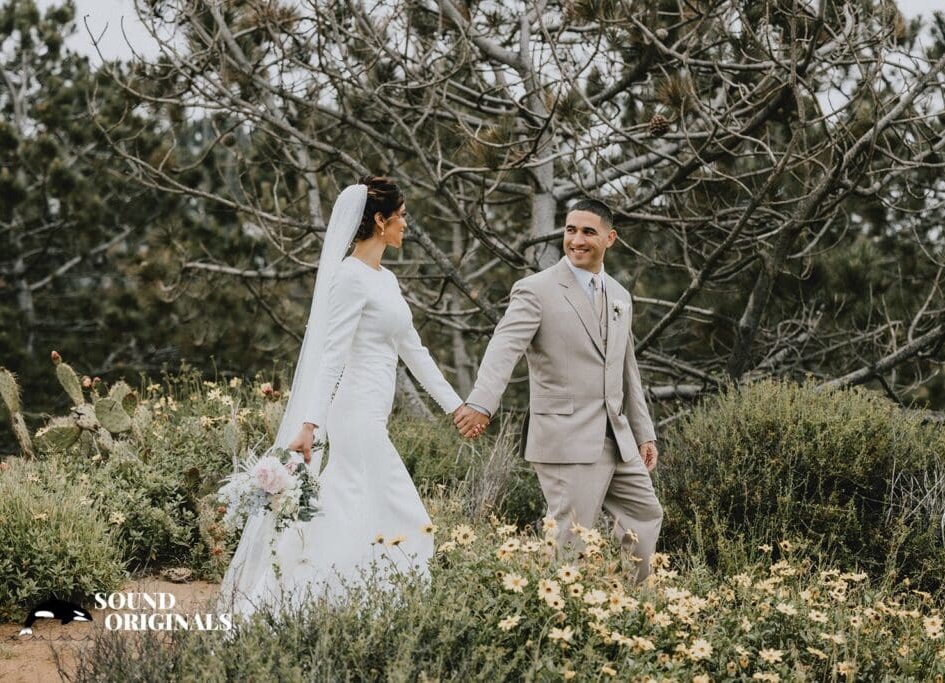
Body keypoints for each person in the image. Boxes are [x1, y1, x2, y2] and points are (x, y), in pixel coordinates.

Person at [217, 176, 464, 619]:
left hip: (374, 415)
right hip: (355, 415)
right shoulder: (350, 278)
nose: (407, 224)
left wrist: (456, 407)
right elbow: (331, 357)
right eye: (402, 216)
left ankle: (333, 602)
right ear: (380, 220)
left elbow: (415, 351)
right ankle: (322, 603)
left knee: (353, 507)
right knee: (403, 511)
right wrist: (310, 424)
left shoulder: (385, 279)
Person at [453, 199, 663, 581]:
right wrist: (481, 403)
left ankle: (632, 605)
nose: (577, 240)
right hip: (565, 437)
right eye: (570, 230)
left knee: (646, 514)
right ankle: (558, 618)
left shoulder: (619, 295)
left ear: (610, 238)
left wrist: (643, 432)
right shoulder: (536, 290)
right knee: (571, 540)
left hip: (617, 438)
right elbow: (504, 347)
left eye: (588, 232)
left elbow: (626, 369)